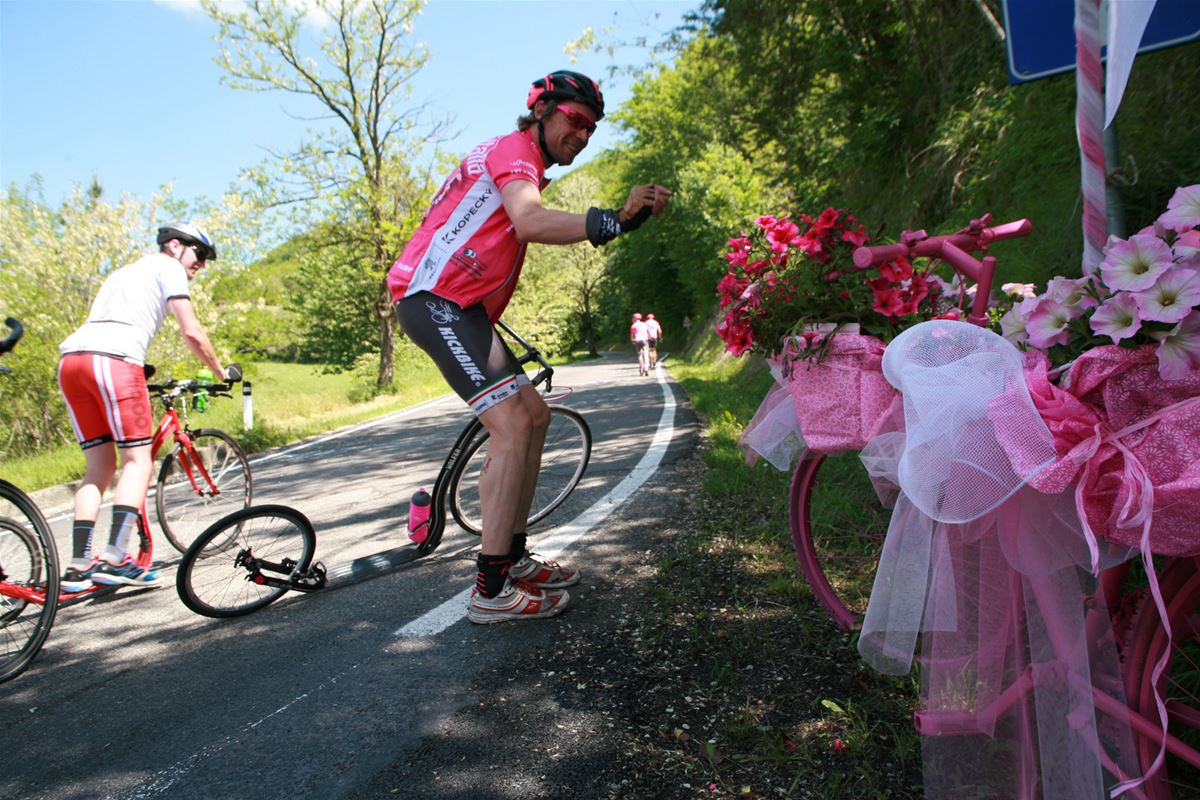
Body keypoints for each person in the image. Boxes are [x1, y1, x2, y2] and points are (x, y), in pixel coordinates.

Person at [387, 70, 671, 623]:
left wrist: (623, 220)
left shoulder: (525, 160)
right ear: (542, 112)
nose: (584, 134)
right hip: (434, 298)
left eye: (592, 128)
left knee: (534, 416)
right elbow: (529, 220)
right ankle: (489, 589)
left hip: (458, 304)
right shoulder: (515, 151)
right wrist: (615, 217)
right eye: (576, 120)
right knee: (513, 424)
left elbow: (533, 221)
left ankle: (511, 559)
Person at [57, 222, 229, 591]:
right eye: (199, 253)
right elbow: (192, 331)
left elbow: (112, 324)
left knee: (98, 468)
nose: (201, 264)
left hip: (72, 361)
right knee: (138, 462)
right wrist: (220, 371)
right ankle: (116, 557)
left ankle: (78, 564)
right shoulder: (168, 267)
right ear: (174, 246)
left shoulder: (124, 272)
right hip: (116, 361)